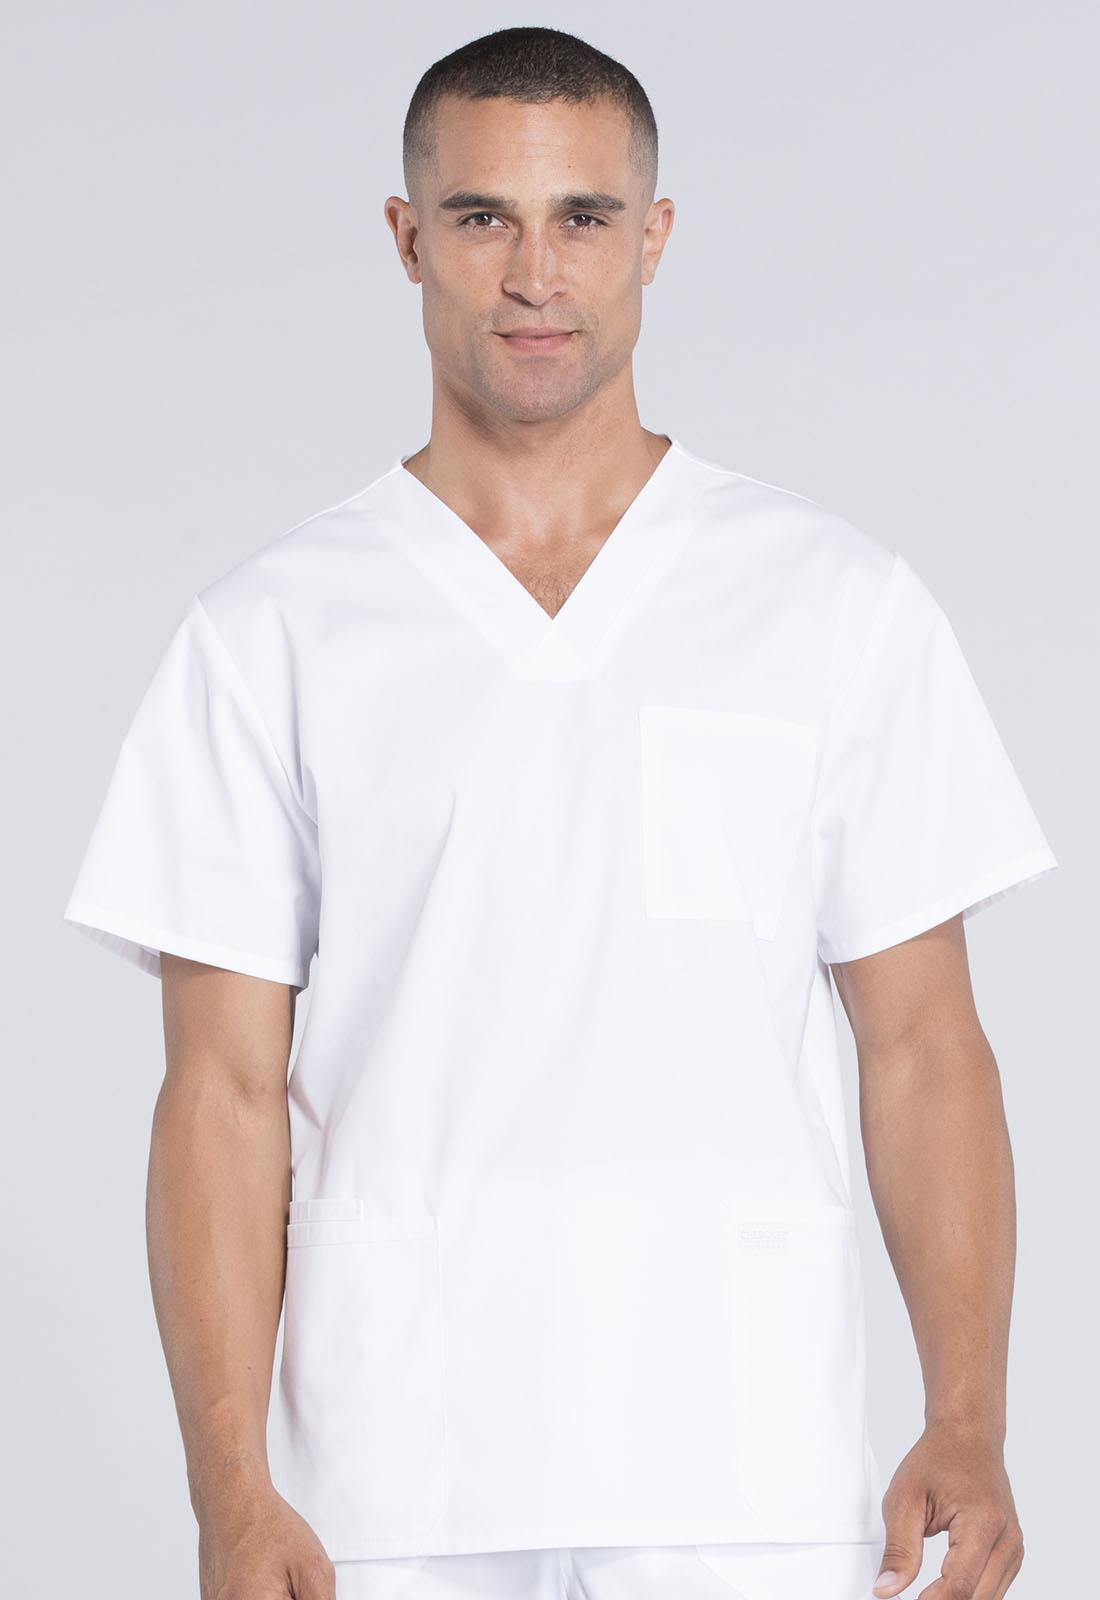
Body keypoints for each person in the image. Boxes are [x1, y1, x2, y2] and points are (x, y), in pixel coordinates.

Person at [62, 24, 1055, 1600]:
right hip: (390, 1480)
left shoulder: (831, 606)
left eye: (583, 217)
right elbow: (220, 1096)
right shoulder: (274, 634)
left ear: (652, 237)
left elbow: (926, 1044)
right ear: (409, 238)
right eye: (484, 217)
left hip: (747, 1473)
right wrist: (233, 1493)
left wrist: (969, 1414)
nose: (536, 273)